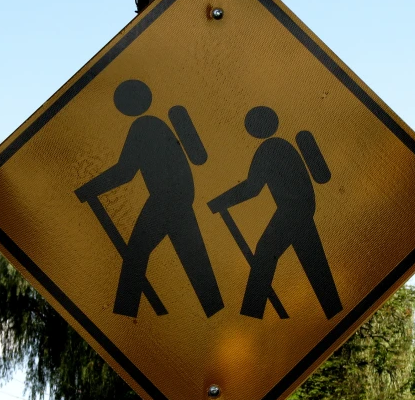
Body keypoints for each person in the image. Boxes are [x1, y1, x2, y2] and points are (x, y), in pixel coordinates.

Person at [75, 79, 224, 318]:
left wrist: (88, 189)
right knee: (195, 259)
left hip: (165, 199)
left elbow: (125, 171)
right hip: (182, 198)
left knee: (136, 252)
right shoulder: (157, 124)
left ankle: (125, 317)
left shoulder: (143, 127)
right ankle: (218, 313)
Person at [208, 106, 342, 319]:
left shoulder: (269, 149)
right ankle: (335, 311)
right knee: (314, 261)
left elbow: (252, 188)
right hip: (303, 208)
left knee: (264, 252)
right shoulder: (283, 145)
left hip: (292, 209)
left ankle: (251, 314)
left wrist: (218, 203)